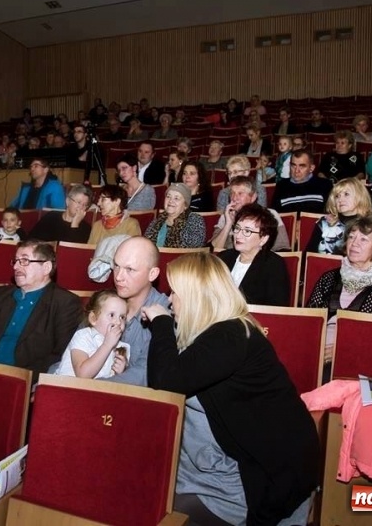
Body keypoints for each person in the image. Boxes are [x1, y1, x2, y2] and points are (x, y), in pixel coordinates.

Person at [142, 253, 319, 525]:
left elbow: (166, 381)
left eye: (174, 292)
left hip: (269, 475)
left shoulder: (230, 334)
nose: (168, 300)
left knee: (155, 509)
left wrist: (161, 321)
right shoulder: (216, 332)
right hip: (242, 464)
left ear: (194, 297)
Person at [0, 240, 81, 379]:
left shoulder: (65, 303)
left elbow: (60, 356)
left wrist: (24, 380)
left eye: (24, 261)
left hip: (23, 380)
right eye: (15, 261)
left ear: (46, 267)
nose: (15, 266)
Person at [306, 216, 372, 363]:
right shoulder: (328, 278)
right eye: (351, 237)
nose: (354, 243)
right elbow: (309, 323)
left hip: (362, 357)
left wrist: (341, 350)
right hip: (317, 353)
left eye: (363, 239)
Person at [106, 237, 169, 386]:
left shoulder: (163, 314)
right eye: (116, 266)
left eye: (130, 269)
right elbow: (75, 351)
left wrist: (88, 387)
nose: (118, 277)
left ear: (152, 274)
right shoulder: (106, 301)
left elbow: (143, 374)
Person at [217, 204, 289, 306]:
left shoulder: (274, 265)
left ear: (263, 239)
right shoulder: (223, 257)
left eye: (247, 231)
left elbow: (276, 308)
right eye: (237, 228)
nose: (238, 235)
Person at [54, 289, 129, 379]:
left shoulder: (122, 347)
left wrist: (120, 372)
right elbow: (83, 375)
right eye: (112, 315)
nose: (118, 322)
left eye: (122, 317)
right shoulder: (83, 336)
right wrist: (107, 345)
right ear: (93, 318)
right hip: (65, 386)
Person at [211, 176, 291, 252]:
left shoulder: (270, 215)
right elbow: (213, 250)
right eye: (232, 193)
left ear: (253, 197)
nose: (234, 198)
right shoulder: (226, 217)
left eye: (240, 193)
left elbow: (283, 250)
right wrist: (228, 224)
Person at [306, 178, 372, 254]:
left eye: (346, 194)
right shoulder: (324, 222)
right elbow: (308, 254)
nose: (340, 200)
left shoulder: (370, 224)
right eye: (337, 196)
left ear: (360, 196)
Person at [144, 183, 206, 248]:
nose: (170, 201)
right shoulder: (158, 220)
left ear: (185, 205)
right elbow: (146, 245)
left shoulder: (194, 220)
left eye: (176, 198)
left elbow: (194, 247)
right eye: (168, 197)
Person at [271, 150, 333, 214]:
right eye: (293, 165)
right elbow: (274, 215)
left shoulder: (325, 185)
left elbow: (332, 213)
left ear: (311, 168)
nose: (296, 171)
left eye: (302, 166)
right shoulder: (281, 186)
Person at [29, 185, 93, 243]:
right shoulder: (51, 217)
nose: (81, 207)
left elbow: (72, 250)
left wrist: (75, 224)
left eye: (85, 205)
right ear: (67, 201)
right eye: (79, 202)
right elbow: (32, 239)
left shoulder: (86, 228)